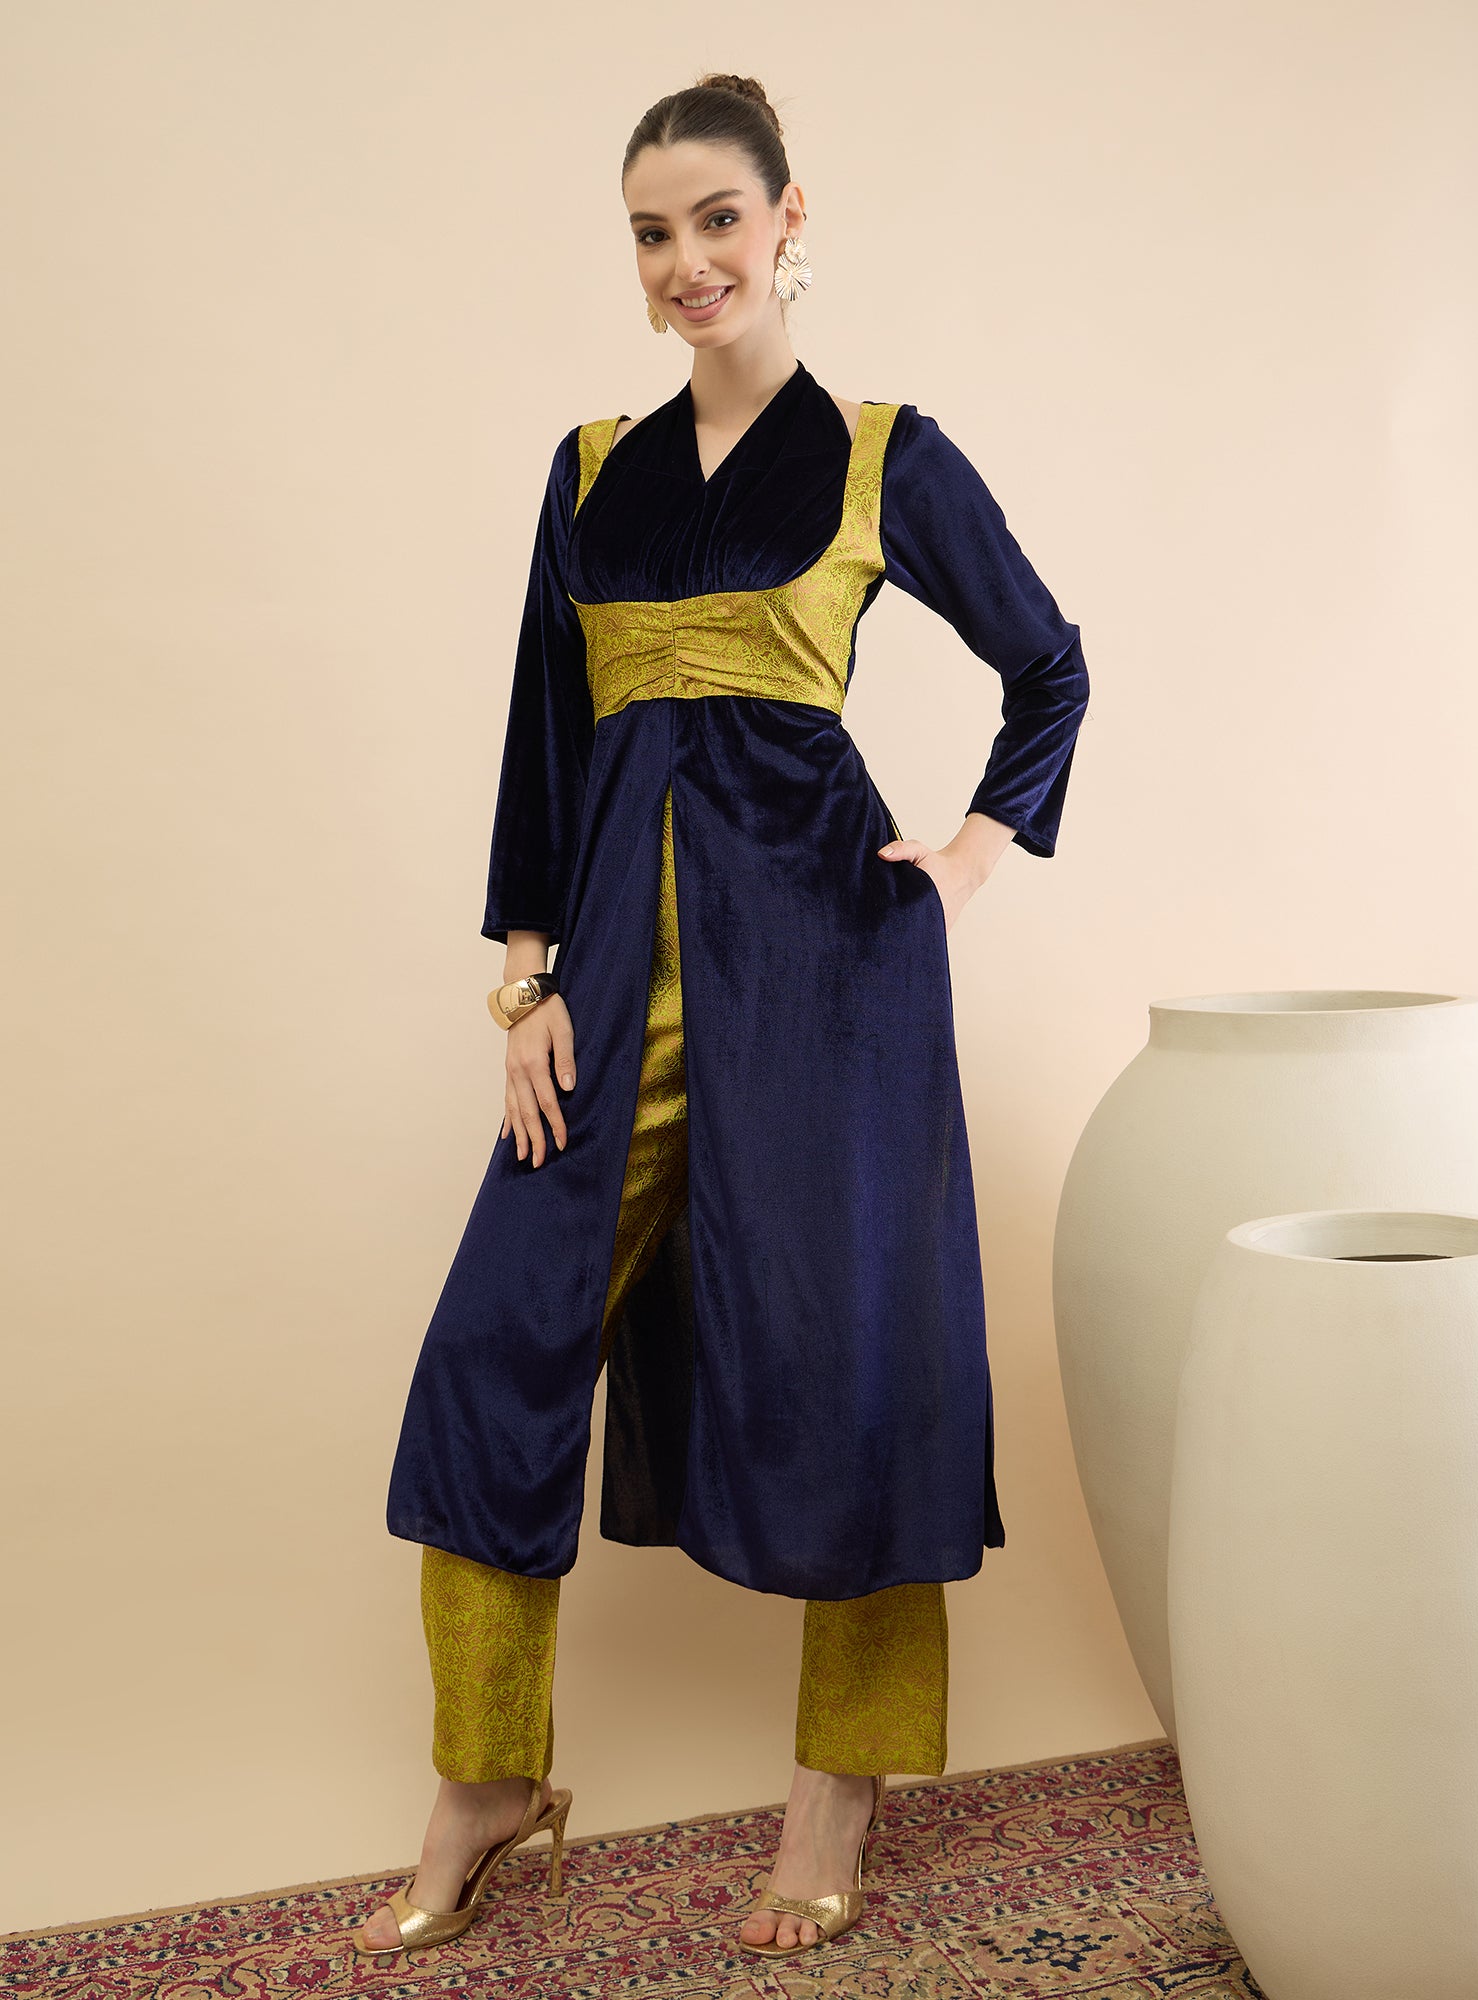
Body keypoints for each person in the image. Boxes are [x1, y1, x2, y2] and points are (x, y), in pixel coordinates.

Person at [355, 70, 1090, 1965]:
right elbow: (542, 731)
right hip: (610, 986)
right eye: (651, 233)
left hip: (827, 983)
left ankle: (837, 1791)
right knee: (492, 1352)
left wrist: (969, 857)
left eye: (716, 221)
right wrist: (525, 983)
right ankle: (488, 1783)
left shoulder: (882, 453)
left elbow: (1050, 664)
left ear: (786, 222)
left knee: (856, 1366)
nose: (686, 262)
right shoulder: (592, 467)